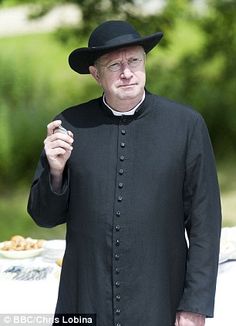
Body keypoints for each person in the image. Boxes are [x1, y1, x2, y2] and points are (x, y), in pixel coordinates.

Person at [27, 20, 222, 326]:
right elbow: (44, 218)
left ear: (145, 63)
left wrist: (194, 305)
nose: (127, 72)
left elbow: (205, 224)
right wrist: (55, 172)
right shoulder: (69, 125)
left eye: (134, 61)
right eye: (114, 64)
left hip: (159, 299)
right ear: (95, 74)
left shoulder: (186, 126)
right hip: (84, 299)